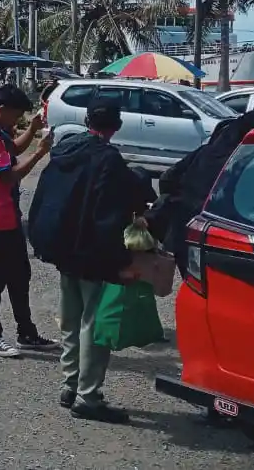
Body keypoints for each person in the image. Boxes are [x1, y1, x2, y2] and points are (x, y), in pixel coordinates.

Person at [29, 100, 156, 423]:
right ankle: (88, 396)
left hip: (62, 248)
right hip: (91, 252)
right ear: (116, 125)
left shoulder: (66, 151)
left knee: (71, 320)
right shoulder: (107, 158)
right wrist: (121, 262)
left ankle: (69, 384)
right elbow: (109, 214)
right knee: (93, 325)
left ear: (87, 121)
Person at [0, 84, 58, 357]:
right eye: (15, 116)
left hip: (6, 213)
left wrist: (32, 130)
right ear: (2, 109)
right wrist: (40, 153)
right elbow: (8, 175)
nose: (15, 122)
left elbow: (13, 150)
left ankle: (26, 332)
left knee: (20, 274)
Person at [151, 109, 254, 275]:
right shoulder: (249, 162)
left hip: (185, 230)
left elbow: (167, 179)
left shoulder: (206, 152)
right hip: (225, 240)